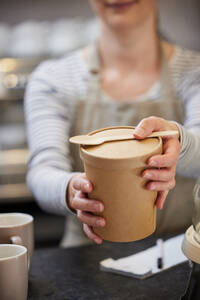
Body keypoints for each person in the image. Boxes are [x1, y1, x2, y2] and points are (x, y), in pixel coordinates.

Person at [25, 0, 200, 247]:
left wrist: (179, 142)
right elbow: (42, 171)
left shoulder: (194, 72)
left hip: (176, 255)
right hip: (86, 257)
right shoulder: (54, 79)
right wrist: (72, 191)